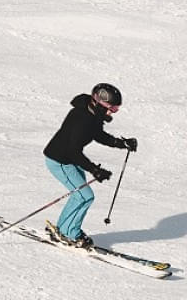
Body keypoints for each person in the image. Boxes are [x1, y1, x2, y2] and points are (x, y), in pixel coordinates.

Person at [41, 82, 139, 249]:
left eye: (116, 108)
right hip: (60, 161)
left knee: (79, 195)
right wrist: (95, 170)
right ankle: (69, 233)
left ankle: (64, 229)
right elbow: (73, 151)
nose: (113, 111)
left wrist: (121, 143)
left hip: (69, 159)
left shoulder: (92, 114)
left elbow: (98, 135)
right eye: (112, 107)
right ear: (98, 102)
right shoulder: (82, 118)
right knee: (85, 196)